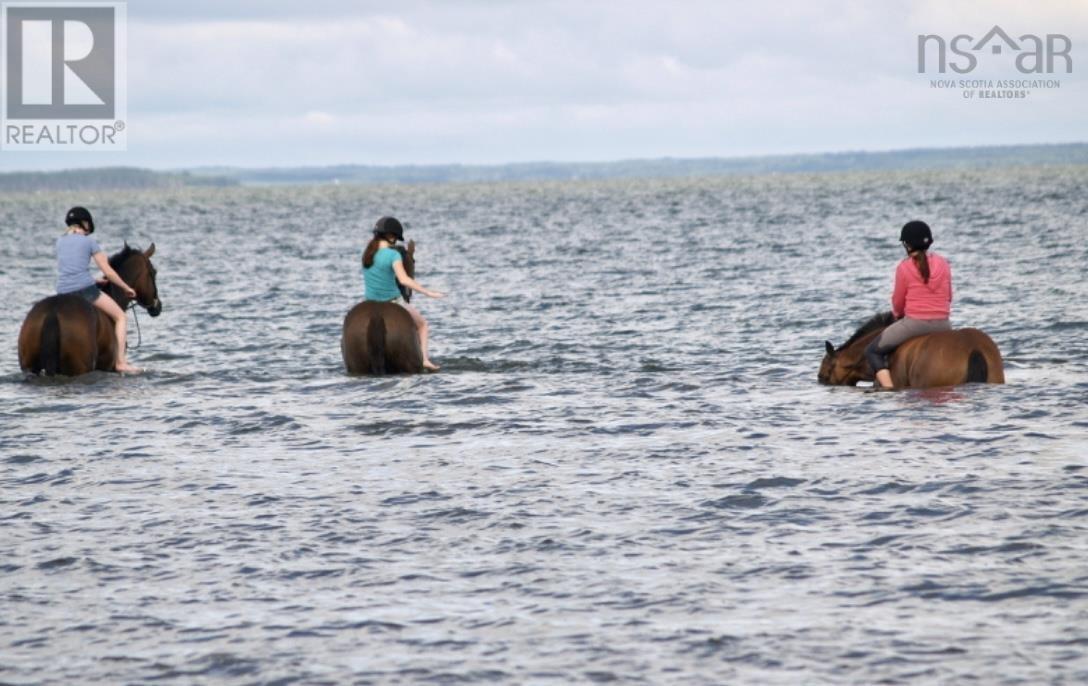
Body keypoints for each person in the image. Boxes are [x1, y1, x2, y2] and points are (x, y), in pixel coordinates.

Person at [865, 220, 953, 389]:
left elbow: (898, 302)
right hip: (944, 324)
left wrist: (898, 316)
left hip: (914, 324)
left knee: (872, 351)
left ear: (907, 245)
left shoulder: (904, 267)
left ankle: (889, 389)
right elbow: (949, 296)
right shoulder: (943, 263)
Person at [56, 206, 140, 374]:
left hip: (62, 293)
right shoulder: (89, 241)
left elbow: (70, 271)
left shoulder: (59, 242)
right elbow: (108, 271)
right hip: (84, 291)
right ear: (85, 224)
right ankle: (121, 362)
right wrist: (126, 287)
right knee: (121, 317)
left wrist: (94, 280)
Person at [362, 216, 445, 371]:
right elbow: (404, 280)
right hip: (393, 301)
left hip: (369, 303)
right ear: (392, 236)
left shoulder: (367, 254)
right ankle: (425, 360)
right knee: (423, 324)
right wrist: (428, 292)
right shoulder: (393, 255)